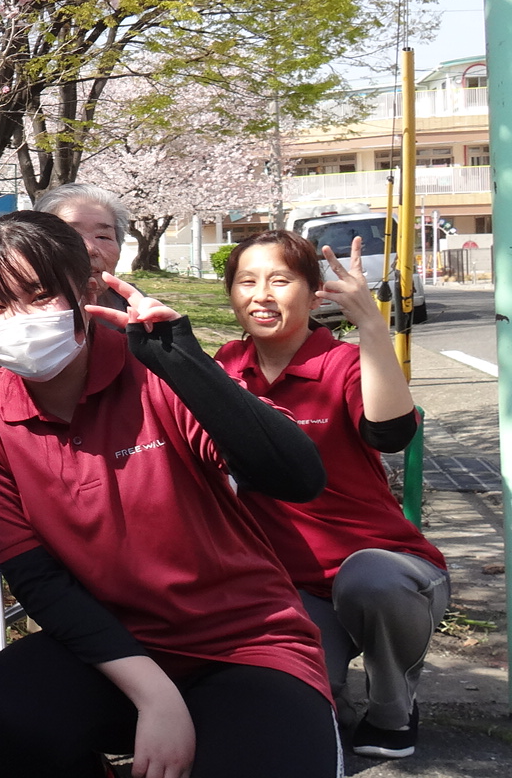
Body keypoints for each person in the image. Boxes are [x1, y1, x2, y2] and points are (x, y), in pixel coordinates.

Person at [0, 211, 336, 778]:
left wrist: (187, 364)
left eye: (38, 296)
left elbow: (297, 477)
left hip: (244, 640)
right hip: (107, 648)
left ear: (86, 291)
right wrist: (155, 695)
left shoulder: (156, 373)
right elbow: (39, 581)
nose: (18, 320)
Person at [217, 230, 448, 759]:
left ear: (314, 290)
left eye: (281, 280)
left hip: (388, 572)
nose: (262, 295)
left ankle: (394, 710)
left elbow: (391, 433)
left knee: (371, 578)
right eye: (247, 282)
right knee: (290, 715)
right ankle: (333, 694)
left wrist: (371, 324)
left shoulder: (341, 363)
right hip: (292, 588)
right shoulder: (225, 365)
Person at [0, 183, 130, 403]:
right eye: (71, 234)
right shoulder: (2, 325)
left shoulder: (142, 314)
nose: (90, 248)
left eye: (103, 237)